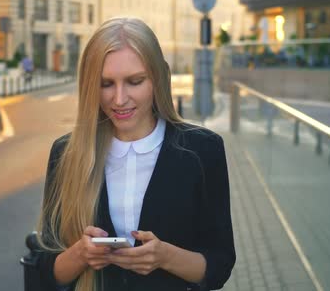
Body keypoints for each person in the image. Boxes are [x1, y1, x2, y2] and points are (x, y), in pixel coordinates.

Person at [36, 17, 235, 291]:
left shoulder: (203, 150)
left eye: (134, 81)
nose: (119, 99)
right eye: (106, 84)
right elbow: (46, 273)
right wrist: (81, 255)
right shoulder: (66, 153)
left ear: (158, 78)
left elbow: (220, 266)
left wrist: (166, 257)